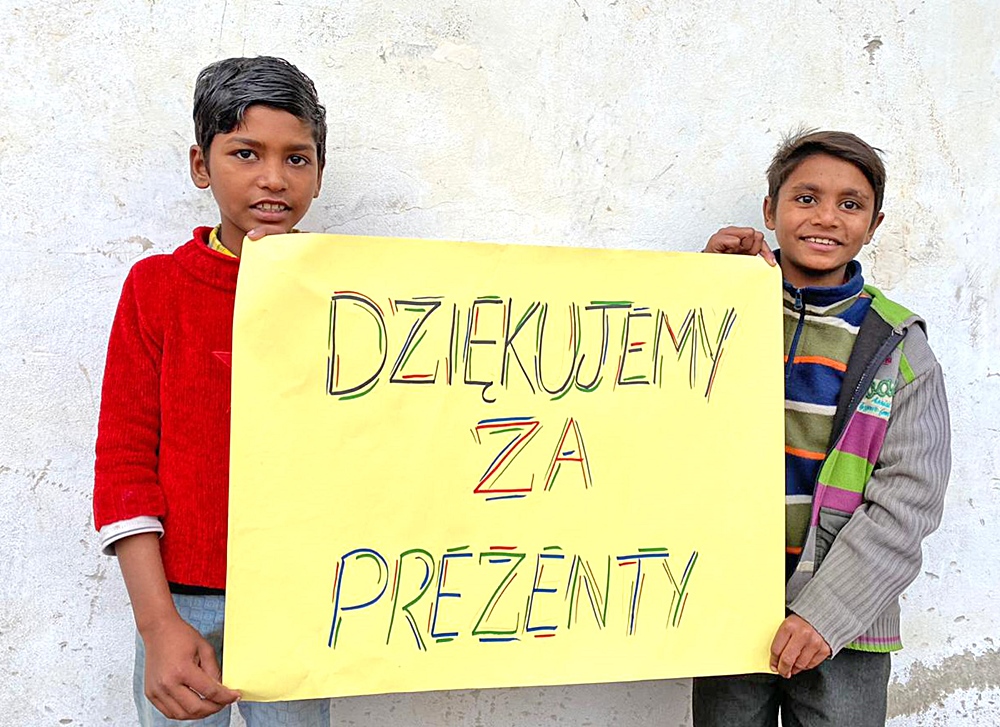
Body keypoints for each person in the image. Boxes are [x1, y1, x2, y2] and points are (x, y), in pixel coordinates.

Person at [93, 56, 329, 725]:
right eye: (246, 153)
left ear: (318, 172)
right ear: (202, 165)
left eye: (297, 158)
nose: (274, 178)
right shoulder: (159, 288)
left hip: (300, 599)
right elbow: (124, 464)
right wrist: (157, 622)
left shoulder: (347, 296)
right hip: (181, 601)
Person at [695, 130, 951, 726]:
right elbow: (660, 401)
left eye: (850, 204)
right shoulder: (724, 311)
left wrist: (826, 615)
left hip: (846, 621)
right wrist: (705, 289)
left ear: (874, 224)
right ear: (770, 210)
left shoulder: (899, 348)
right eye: (806, 198)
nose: (826, 218)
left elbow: (909, 500)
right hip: (730, 605)